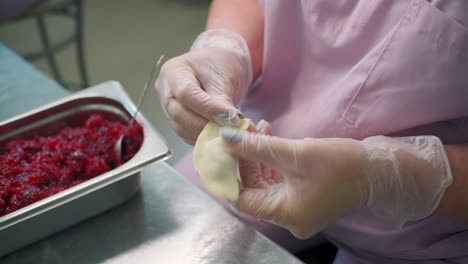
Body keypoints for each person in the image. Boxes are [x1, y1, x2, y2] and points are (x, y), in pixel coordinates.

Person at [155, 0, 468, 263]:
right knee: (159, 238)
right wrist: (225, 47)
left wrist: (394, 177)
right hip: (255, 153)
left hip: (423, 235)